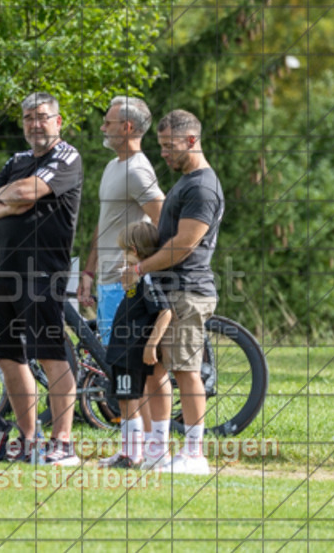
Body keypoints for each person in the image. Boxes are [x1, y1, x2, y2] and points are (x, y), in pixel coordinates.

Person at [0, 92, 83, 466]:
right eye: (28, 118)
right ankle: (29, 440)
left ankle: (63, 443)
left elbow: (25, 191)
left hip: (42, 271)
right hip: (5, 269)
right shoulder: (17, 160)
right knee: (6, 354)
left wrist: (14, 196)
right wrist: (15, 200)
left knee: (50, 354)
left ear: (58, 121)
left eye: (42, 117)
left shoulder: (66, 156)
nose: (35, 124)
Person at [122, 109, 224, 475]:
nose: (164, 153)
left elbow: (184, 244)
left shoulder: (202, 187)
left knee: (186, 371)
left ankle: (194, 454)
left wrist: (139, 268)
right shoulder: (185, 182)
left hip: (188, 291)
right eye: (162, 145)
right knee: (155, 372)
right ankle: (158, 451)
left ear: (192, 140)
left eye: (169, 146)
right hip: (168, 292)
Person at [78, 96, 164, 345]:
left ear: (127, 127)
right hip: (107, 282)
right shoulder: (112, 166)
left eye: (108, 123)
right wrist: (89, 271)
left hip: (123, 285)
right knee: (109, 358)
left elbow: (163, 218)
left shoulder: (137, 170)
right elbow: (105, 222)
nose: (102, 128)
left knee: (121, 361)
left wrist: (140, 267)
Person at [103, 222, 173, 469]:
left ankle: (132, 454)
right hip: (122, 349)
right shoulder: (138, 278)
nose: (122, 256)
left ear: (133, 250)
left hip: (131, 350)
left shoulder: (149, 279)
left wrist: (151, 345)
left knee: (128, 401)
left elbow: (165, 312)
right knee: (125, 400)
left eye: (124, 251)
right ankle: (130, 450)